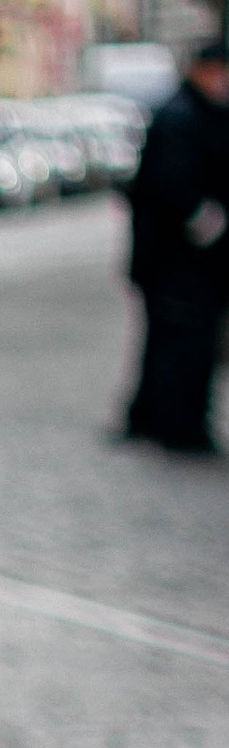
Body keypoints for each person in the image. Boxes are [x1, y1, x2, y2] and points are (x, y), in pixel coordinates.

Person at [121, 33, 229, 456]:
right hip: (182, 262)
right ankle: (177, 425)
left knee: (164, 341)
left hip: (171, 261)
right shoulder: (185, 117)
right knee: (183, 343)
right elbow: (173, 190)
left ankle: (151, 417)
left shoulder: (185, 112)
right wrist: (211, 226)